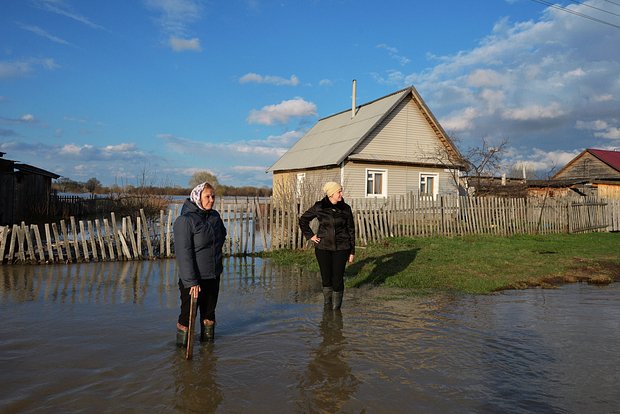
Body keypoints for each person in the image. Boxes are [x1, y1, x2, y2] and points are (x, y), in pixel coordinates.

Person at [173, 182, 227, 346]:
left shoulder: (215, 217)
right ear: (197, 197)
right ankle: (182, 355)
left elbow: (222, 236)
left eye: (213, 196)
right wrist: (191, 282)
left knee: (209, 316)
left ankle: (208, 354)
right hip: (193, 281)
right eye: (207, 196)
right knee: (187, 318)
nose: (211, 200)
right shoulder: (185, 221)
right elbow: (184, 254)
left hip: (212, 276)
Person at [299, 181, 355, 310]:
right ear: (331, 194)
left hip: (342, 248)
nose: (341, 193)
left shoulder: (346, 208)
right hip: (323, 248)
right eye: (339, 191)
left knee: (338, 279)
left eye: (341, 191)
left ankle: (336, 311)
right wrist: (311, 236)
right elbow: (303, 220)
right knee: (326, 278)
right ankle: (327, 307)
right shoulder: (319, 206)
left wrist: (352, 251)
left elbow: (351, 230)